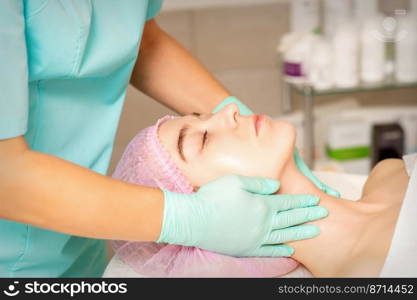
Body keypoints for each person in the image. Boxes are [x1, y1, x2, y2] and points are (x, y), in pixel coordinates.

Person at [0, 1, 336, 277]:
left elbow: (143, 42)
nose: (230, 114)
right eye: (201, 141)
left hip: (81, 239)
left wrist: (235, 116)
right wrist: (185, 218)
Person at [107, 104, 411, 277]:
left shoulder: (389, 173)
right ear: (211, 212)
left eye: (202, 116)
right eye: (202, 140)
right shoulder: (371, 274)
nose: (228, 110)